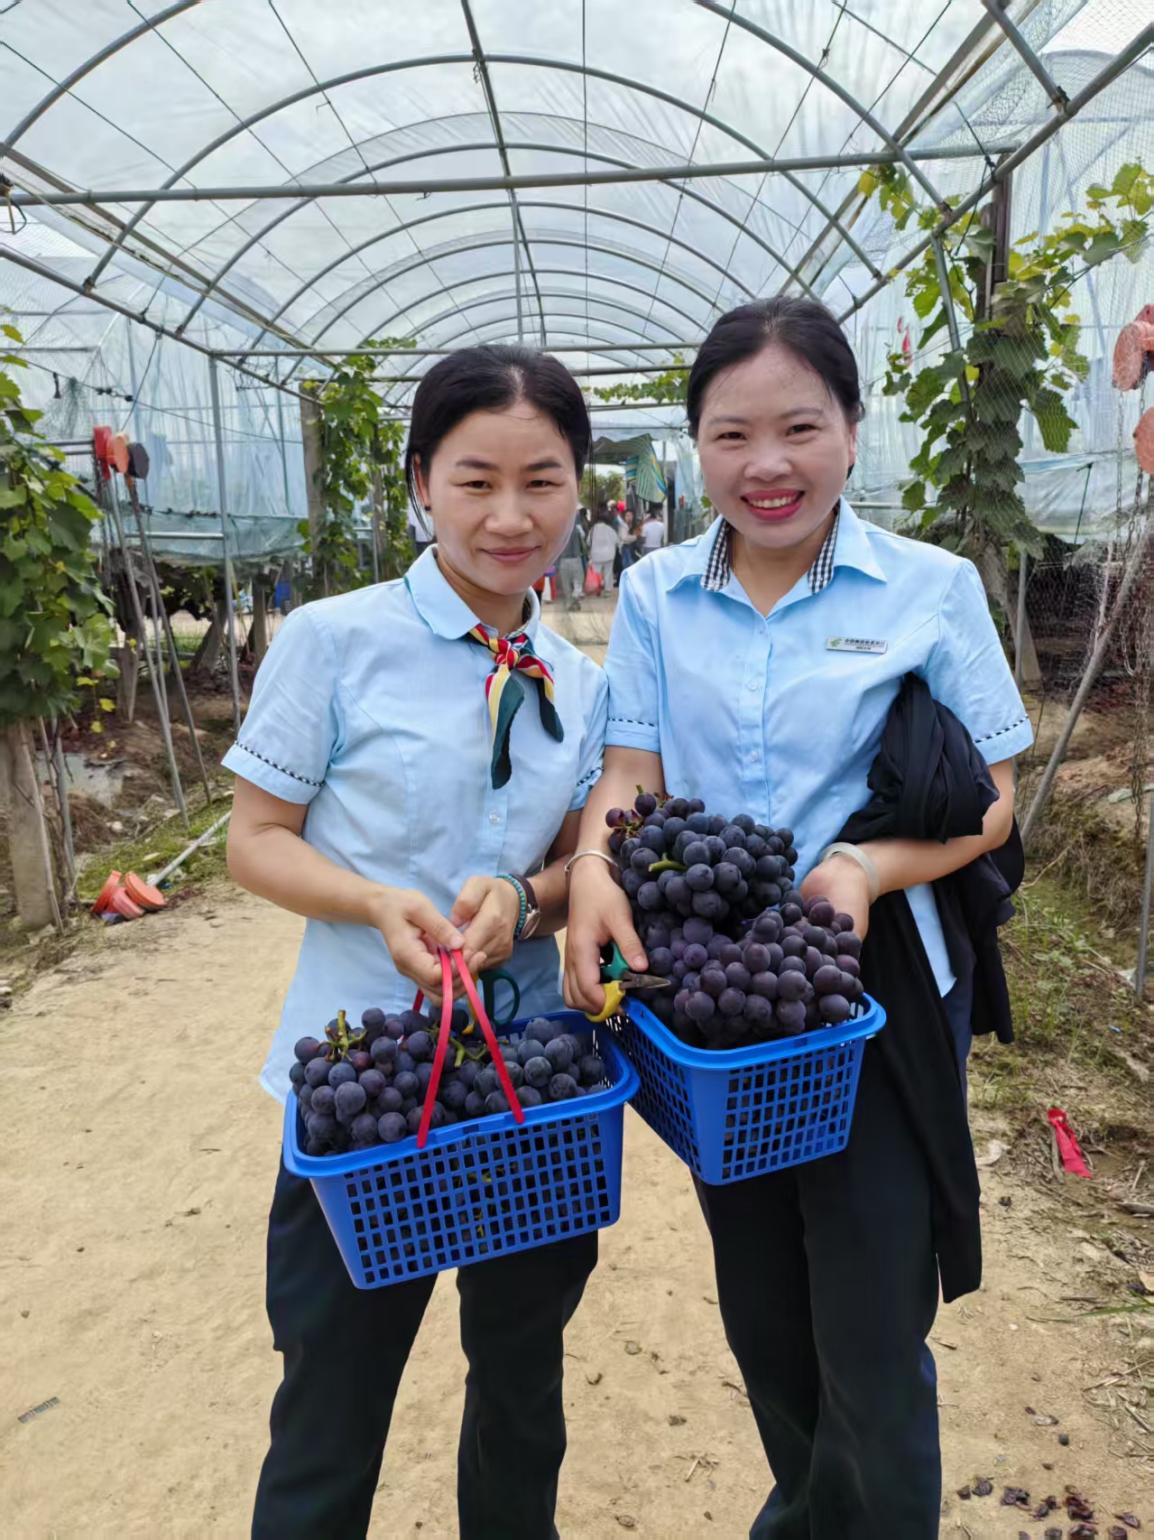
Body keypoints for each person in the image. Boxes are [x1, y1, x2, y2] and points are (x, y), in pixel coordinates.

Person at [563, 297, 1033, 1537]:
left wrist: (866, 868)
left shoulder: (927, 587)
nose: (765, 465)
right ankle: (808, 1512)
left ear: (850, 429)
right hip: (718, 997)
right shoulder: (657, 594)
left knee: (871, 1322)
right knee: (763, 1303)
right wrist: (598, 867)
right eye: (730, 435)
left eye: (798, 428)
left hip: (868, 984)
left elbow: (991, 798)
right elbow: (629, 774)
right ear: (695, 447)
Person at [224, 344, 608, 1540]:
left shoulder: (578, 681)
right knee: (330, 1405)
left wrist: (528, 899)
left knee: (521, 1392)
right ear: (418, 484)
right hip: (363, 1088)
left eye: (541, 481)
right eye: (474, 480)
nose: (509, 516)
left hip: (521, 1086)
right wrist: (372, 901)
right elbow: (255, 839)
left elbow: (581, 867)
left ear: (579, 486)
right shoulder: (333, 642)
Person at [559, 511, 589, 609]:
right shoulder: (577, 530)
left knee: (566, 584)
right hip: (576, 559)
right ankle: (576, 595)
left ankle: (569, 603)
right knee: (578, 581)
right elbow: (583, 544)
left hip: (563, 560)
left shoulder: (560, 531)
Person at [589, 507, 621, 591]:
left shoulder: (592, 530)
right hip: (609, 554)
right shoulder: (610, 529)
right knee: (608, 572)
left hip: (596, 555)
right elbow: (617, 541)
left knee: (597, 572)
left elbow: (588, 542)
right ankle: (607, 589)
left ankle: (598, 586)